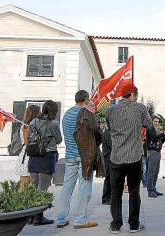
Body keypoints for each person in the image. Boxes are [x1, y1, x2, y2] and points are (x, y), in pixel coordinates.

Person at [106, 86, 152, 233]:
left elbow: (109, 126)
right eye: (136, 95)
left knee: (116, 192)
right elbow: (149, 124)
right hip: (134, 156)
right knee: (134, 191)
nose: (136, 98)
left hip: (116, 156)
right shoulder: (140, 108)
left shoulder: (110, 109)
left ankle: (115, 224)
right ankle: (134, 225)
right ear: (132, 94)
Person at [56, 90, 100, 229]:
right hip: (84, 156)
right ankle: (80, 219)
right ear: (86, 99)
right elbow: (98, 133)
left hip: (70, 155)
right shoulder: (87, 114)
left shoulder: (66, 114)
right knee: (84, 187)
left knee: (66, 187)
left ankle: (60, 219)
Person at [28, 100, 62, 225]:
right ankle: (39, 217)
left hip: (33, 156)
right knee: (43, 188)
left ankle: (30, 216)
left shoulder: (33, 121)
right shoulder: (53, 124)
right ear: (54, 111)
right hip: (47, 156)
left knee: (33, 188)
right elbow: (58, 140)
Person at [14, 105, 40, 190]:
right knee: (24, 186)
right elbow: (27, 142)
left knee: (32, 187)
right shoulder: (25, 126)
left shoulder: (35, 126)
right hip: (27, 157)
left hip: (32, 156)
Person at [146, 116, 165, 198]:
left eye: (158, 121)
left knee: (156, 171)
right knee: (151, 172)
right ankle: (150, 190)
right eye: (155, 121)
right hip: (152, 152)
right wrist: (163, 134)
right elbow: (154, 138)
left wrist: (164, 137)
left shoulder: (157, 130)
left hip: (158, 152)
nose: (157, 123)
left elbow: (160, 141)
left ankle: (153, 188)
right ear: (152, 122)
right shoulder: (150, 129)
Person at [102, 122, 112, 205]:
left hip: (110, 159)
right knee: (108, 179)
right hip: (108, 159)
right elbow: (113, 145)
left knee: (110, 179)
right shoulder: (108, 133)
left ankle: (109, 197)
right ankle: (106, 198)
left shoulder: (110, 132)